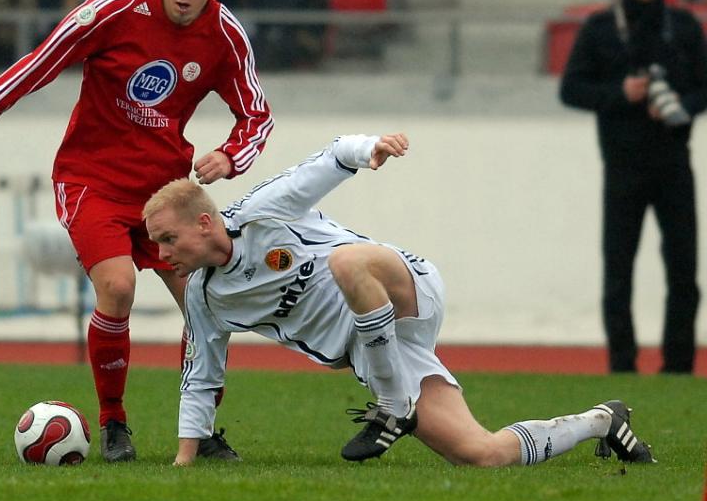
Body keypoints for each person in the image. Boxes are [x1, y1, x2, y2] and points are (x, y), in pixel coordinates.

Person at [0, 0, 273, 463]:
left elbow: (256, 116)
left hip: (166, 192)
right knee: (117, 287)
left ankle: (201, 429)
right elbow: (41, 62)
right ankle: (114, 423)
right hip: (92, 179)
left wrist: (230, 156)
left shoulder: (226, 35)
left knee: (206, 307)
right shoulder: (115, 10)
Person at [142, 133, 655, 467]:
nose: (163, 255)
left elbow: (331, 157)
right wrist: (185, 462)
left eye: (168, 239)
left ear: (204, 223)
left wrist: (371, 149)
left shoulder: (260, 214)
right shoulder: (208, 299)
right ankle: (603, 421)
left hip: (403, 287)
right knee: (481, 455)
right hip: (377, 349)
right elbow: (201, 377)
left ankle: (392, 406)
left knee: (346, 262)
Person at [560, 0, 706, 373]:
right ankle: (623, 365)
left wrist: (679, 106)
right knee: (618, 272)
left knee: (684, 270)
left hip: (674, 164)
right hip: (622, 167)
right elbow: (571, 89)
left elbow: (704, 86)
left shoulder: (683, 26)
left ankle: (678, 366)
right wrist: (620, 93)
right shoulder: (600, 28)